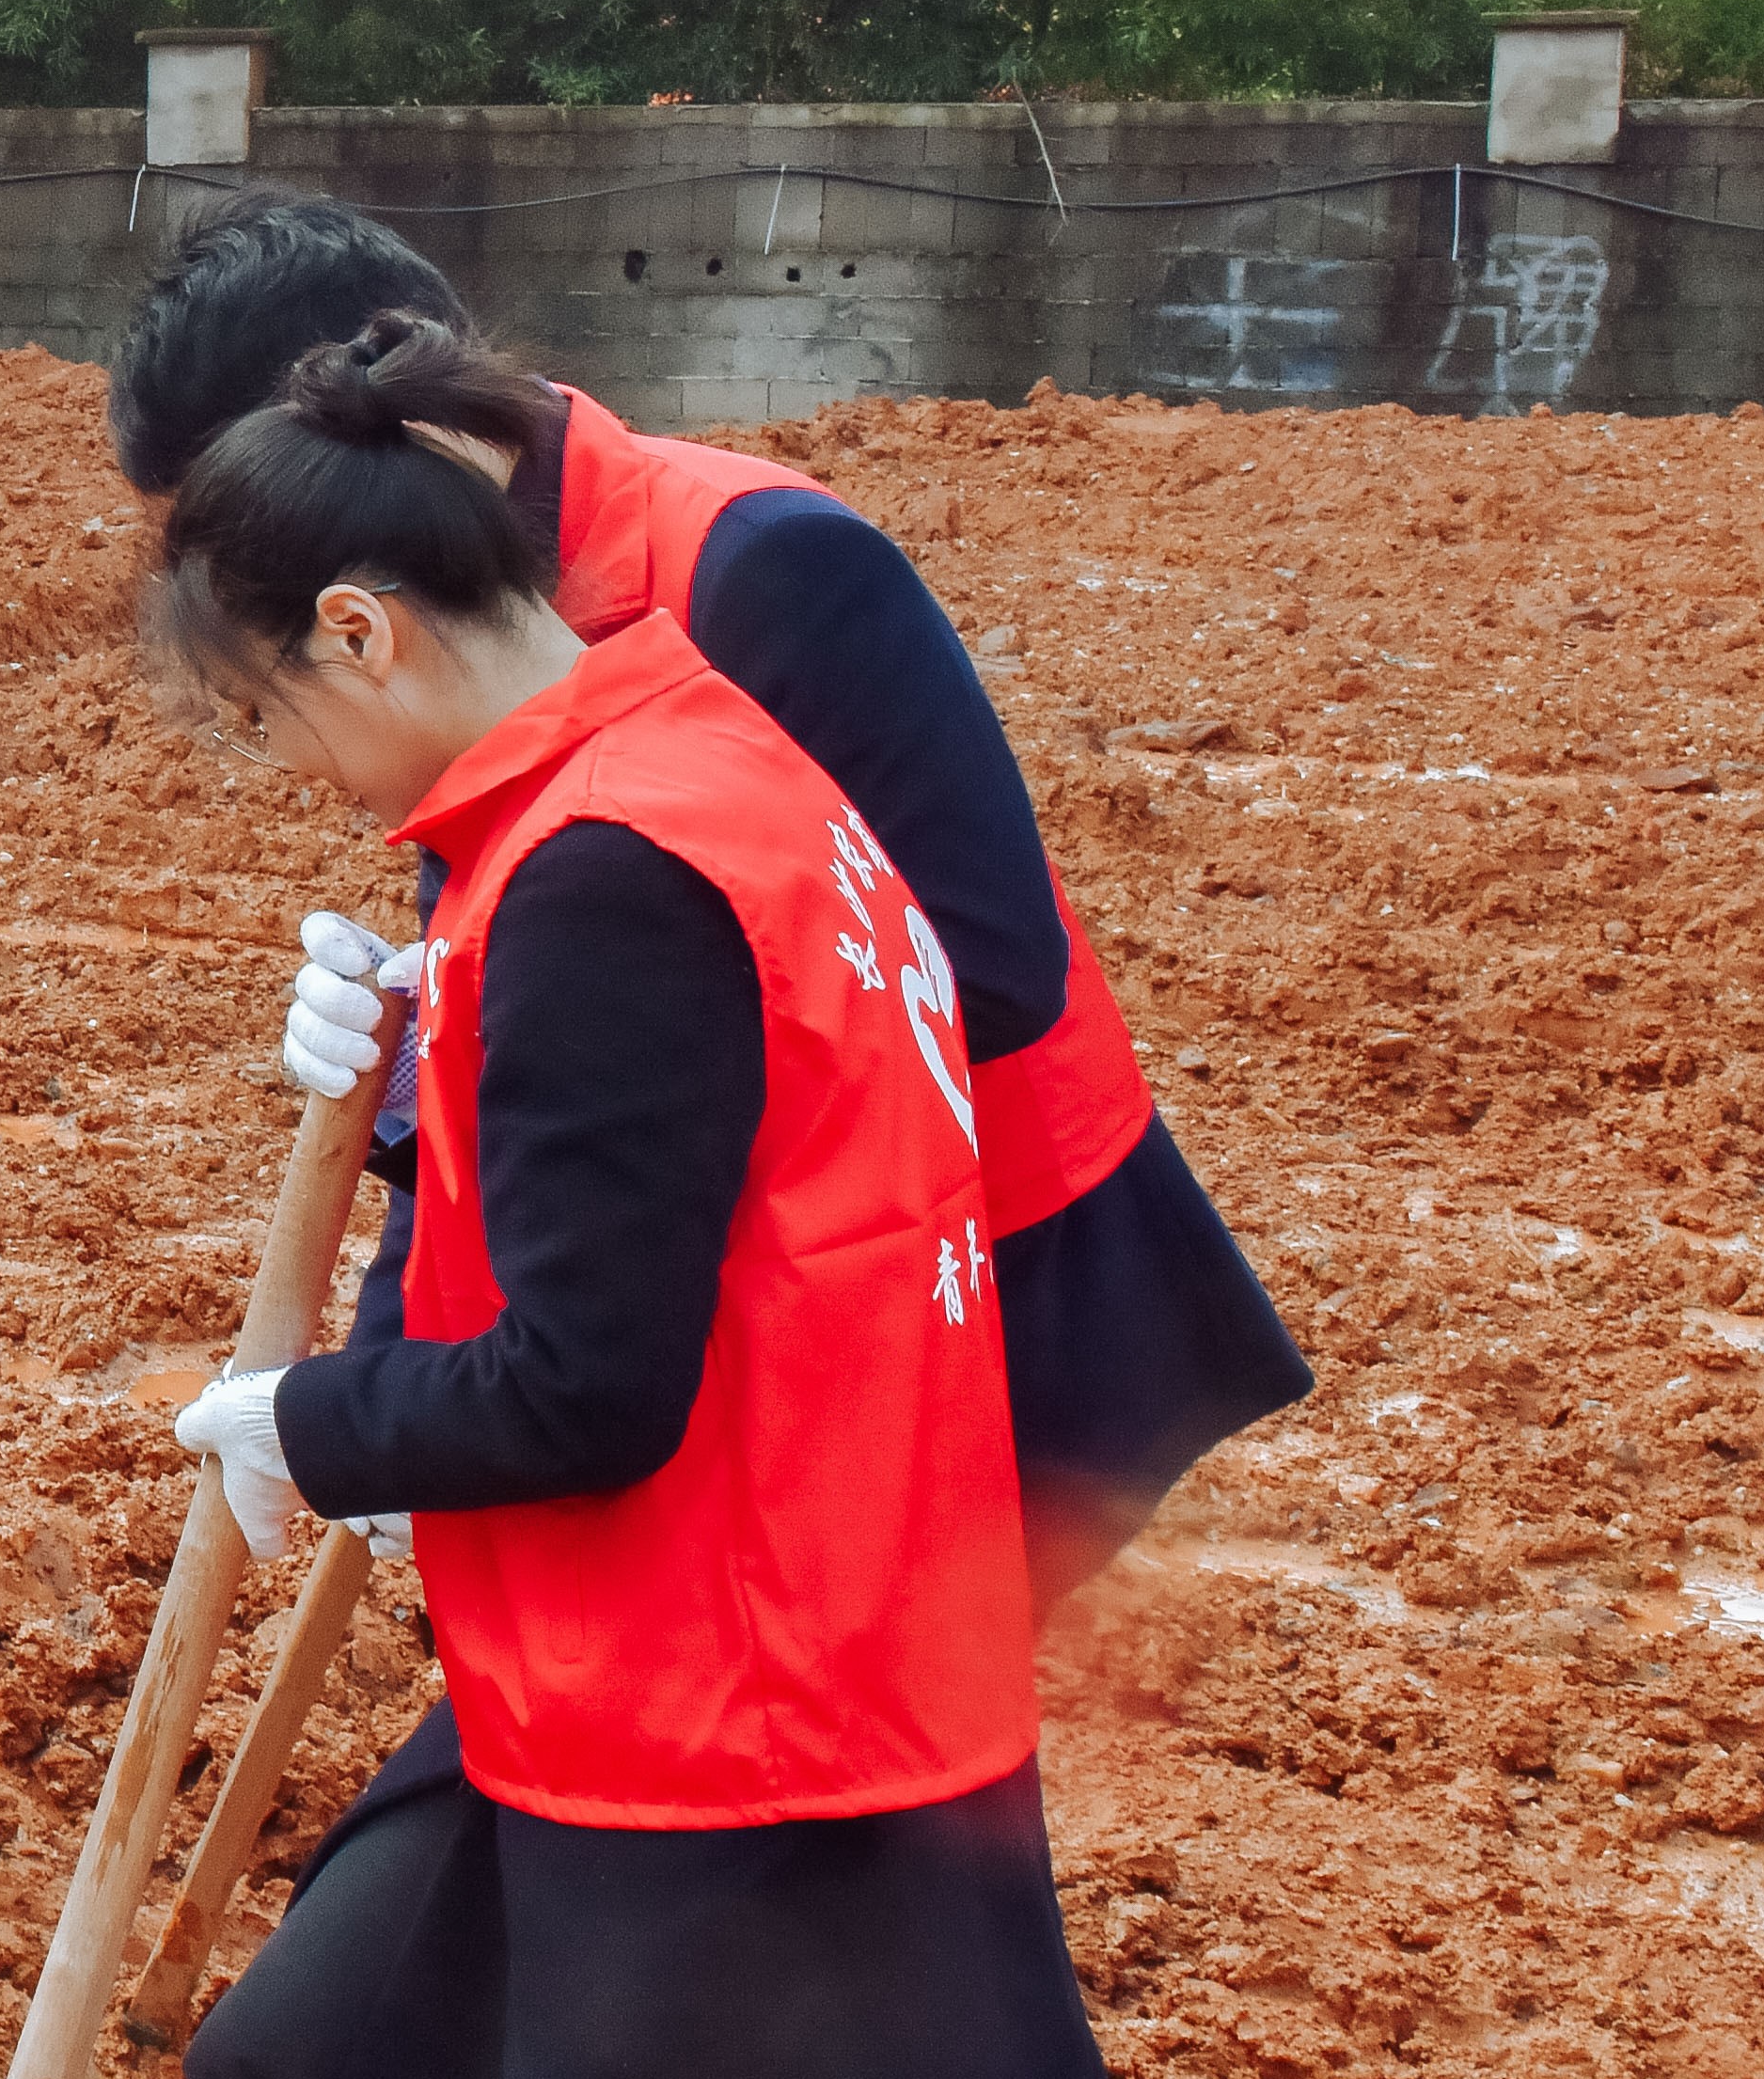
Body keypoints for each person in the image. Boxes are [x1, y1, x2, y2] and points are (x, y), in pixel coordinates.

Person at [22, 320, 1109, 2079]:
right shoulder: (673, 782)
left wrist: (309, 1409)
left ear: (373, 627)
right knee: (296, 2066)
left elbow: (592, 1379)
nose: (307, 772)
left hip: (745, 1701)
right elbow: (671, 1180)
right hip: (611, 1675)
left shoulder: (614, 864)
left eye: (281, 711)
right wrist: (419, 1096)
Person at [105, 193, 1301, 1598]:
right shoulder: (446, 634)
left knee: (793, 1776)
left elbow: (971, 971)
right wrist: (403, 1312)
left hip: (969, 1307)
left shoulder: (763, 564)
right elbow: (569, 1080)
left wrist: (432, 1384)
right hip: (715, 1343)